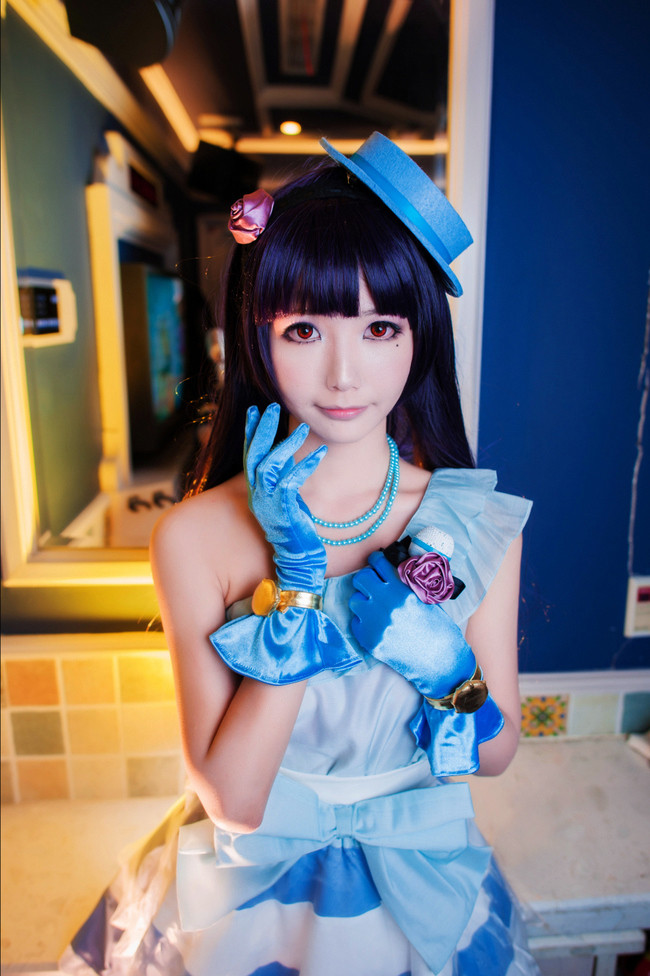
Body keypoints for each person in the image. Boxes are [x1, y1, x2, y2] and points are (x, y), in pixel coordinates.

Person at [60, 132, 538, 975]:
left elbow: (497, 756)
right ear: (257, 337)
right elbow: (236, 803)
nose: (345, 373)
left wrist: (445, 668)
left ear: (419, 338)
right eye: (306, 328)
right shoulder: (195, 536)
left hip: (420, 886)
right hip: (244, 903)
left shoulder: (472, 518)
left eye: (380, 326)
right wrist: (299, 586)